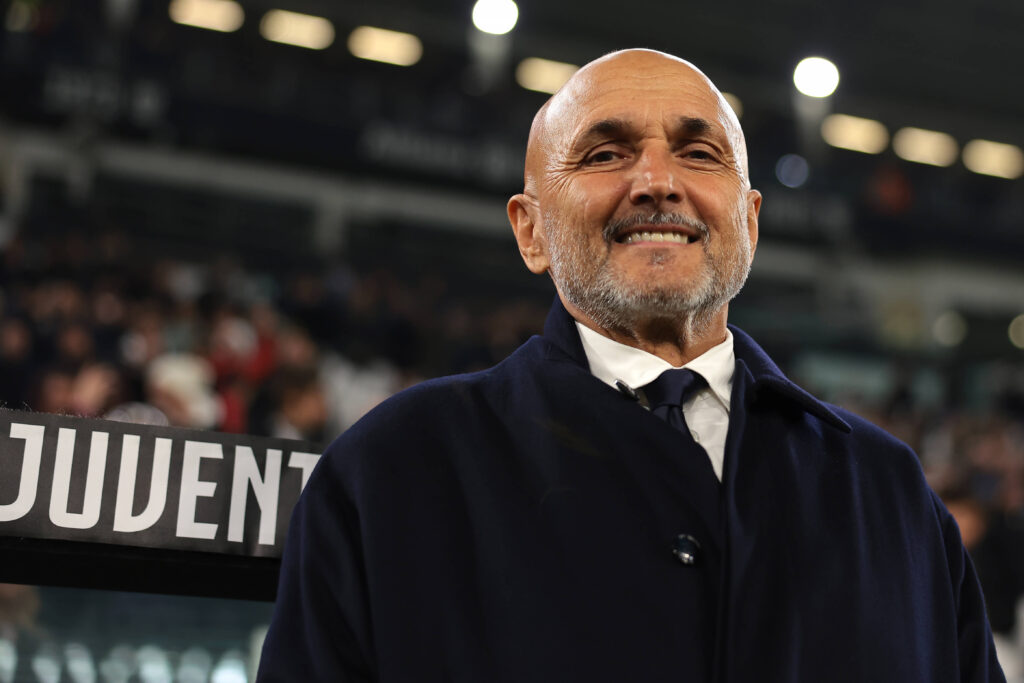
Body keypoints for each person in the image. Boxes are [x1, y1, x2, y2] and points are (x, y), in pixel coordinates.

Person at [257, 49, 1005, 682]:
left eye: (698, 152)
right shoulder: (393, 470)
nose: (657, 180)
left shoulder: (890, 492)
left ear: (749, 222)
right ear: (531, 230)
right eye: (606, 153)